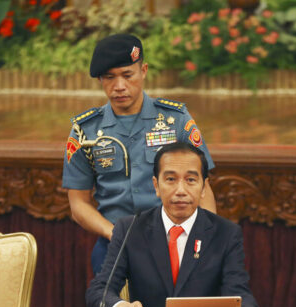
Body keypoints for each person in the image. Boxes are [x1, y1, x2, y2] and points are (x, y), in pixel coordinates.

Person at [63, 33, 217, 274]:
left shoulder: (175, 120)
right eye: (109, 78)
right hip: (114, 243)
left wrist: (203, 240)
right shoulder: (85, 132)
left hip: (175, 241)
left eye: (127, 75)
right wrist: (115, 234)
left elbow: (203, 188)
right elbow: (78, 204)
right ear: (100, 80)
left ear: (143, 70)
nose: (120, 86)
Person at [85, 142, 263, 307]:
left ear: (203, 187)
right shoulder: (130, 229)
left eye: (190, 180)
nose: (181, 190)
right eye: (170, 179)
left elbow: (237, 289)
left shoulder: (226, 233)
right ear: (156, 185)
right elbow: (100, 290)